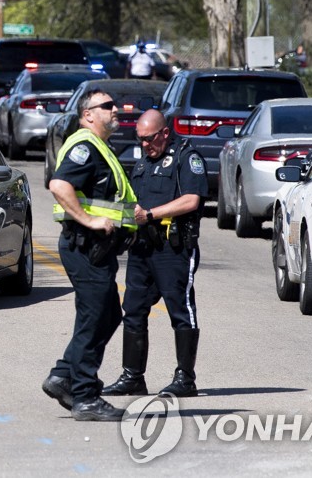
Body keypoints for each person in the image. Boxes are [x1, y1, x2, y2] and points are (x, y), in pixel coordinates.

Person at [42, 90, 137, 421]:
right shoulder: (85, 146)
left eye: (114, 104)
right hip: (84, 245)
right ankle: (85, 396)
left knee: (108, 314)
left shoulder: (101, 147)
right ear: (88, 115)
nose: (116, 110)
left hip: (98, 249)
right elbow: (59, 185)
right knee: (93, 318)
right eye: (107, 106)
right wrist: (89, 219)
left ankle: (62, 375)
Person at [103, 109, 207, 399]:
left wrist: (149, 214)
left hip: (173, 249)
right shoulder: (143, 163)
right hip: (143, 248)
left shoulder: (187, 157)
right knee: (133, 309)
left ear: (164, 133)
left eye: (150, 139)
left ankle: (185, 379)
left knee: (181, 311)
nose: (145, 145)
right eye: (140, 139)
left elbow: (191, 199)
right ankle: (132, 377)